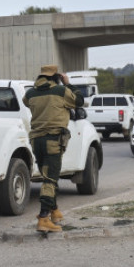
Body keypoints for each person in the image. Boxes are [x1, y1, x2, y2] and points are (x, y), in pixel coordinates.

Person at [23, 64, 83, 233]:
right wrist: (68, 83)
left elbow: (26, 102)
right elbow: (79, 101)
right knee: (51, 178)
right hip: (53, 140)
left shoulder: (30, 94)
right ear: (56, 77)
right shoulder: (60, 91)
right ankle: (43, 218)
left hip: (36, 140)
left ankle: (55, 212)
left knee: (47, 175)